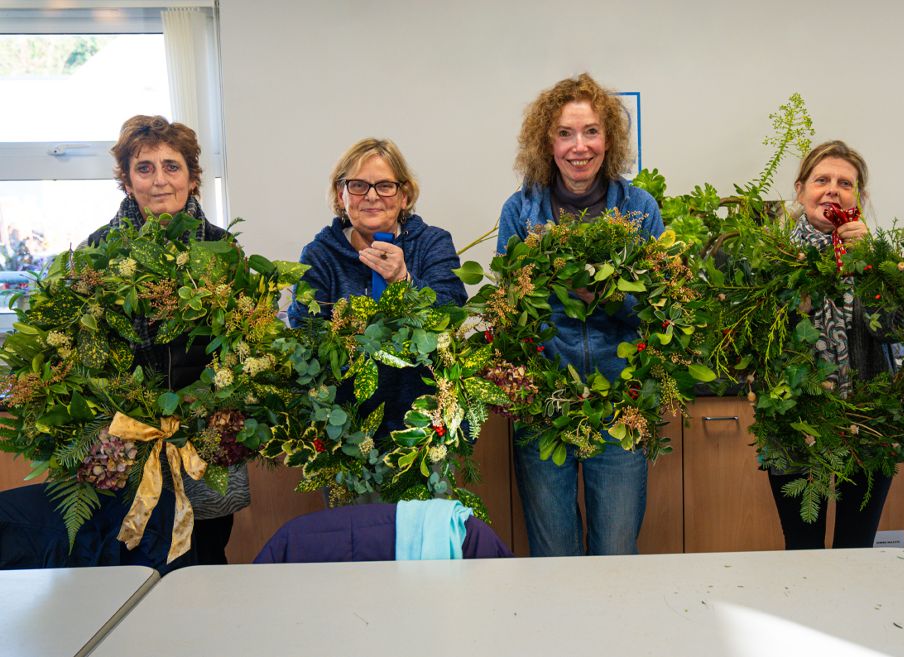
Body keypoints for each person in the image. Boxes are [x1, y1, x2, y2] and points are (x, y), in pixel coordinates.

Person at [496, 73, 664, 556]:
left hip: (620, 405)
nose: (579, 146)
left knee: (615, 553)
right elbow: (512, 310)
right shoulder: (521, 211)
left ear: (608, 140)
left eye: (591, 131)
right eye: (565, 133)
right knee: (554, 556)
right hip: (544, 404)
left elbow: (658, 309)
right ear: (546, 142)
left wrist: (607, 294)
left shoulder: (638, 208)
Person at [88, 114, 248, 565]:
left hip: (205, 436)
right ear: (126, 179)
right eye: (144, 167)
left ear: (192, 177)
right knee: (132, 556)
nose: (160, 180)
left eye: (171, 166)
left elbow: (243, 346)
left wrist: (208, 408)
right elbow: (87, 354)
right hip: (125, 439)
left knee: (209, 552)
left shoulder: (224, 249)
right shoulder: (97, 252)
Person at [288, 138, 467, 440]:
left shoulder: (432, 243)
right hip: (346, 429)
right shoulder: (320, 255)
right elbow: (305, 333)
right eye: (358, 185)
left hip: (423, 426)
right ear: (340, 194)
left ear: (404, 195)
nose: (371, 197)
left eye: (384, 185)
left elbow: (453, 311)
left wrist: (404, 280)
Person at [768, 140, 899, 549]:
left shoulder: (877, 255)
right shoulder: (776, 255)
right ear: (800, 188)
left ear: (859, 196)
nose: (832, 189)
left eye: (845, 183)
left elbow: (898, 328)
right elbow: (756, 339)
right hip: (794, 421)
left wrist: (873, 265)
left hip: (868, 420)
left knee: (857, 547)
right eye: (821, 179)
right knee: (801, 545)